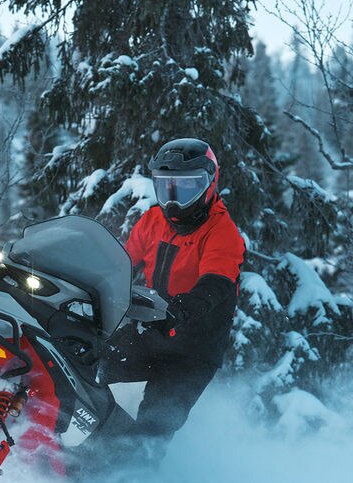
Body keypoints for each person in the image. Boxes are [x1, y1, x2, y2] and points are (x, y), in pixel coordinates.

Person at [102, 137, 246, 443]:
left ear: (209, 184)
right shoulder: (154, 220)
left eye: (186, 188)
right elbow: (122, 264)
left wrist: (183, 309)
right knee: (95, 366)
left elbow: (216, 282)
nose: (174, 201)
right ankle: (86, 443)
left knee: (156, 422)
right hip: (152, 330)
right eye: (167, 188)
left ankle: (139, 480)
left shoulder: (222, 232)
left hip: (194, 348)